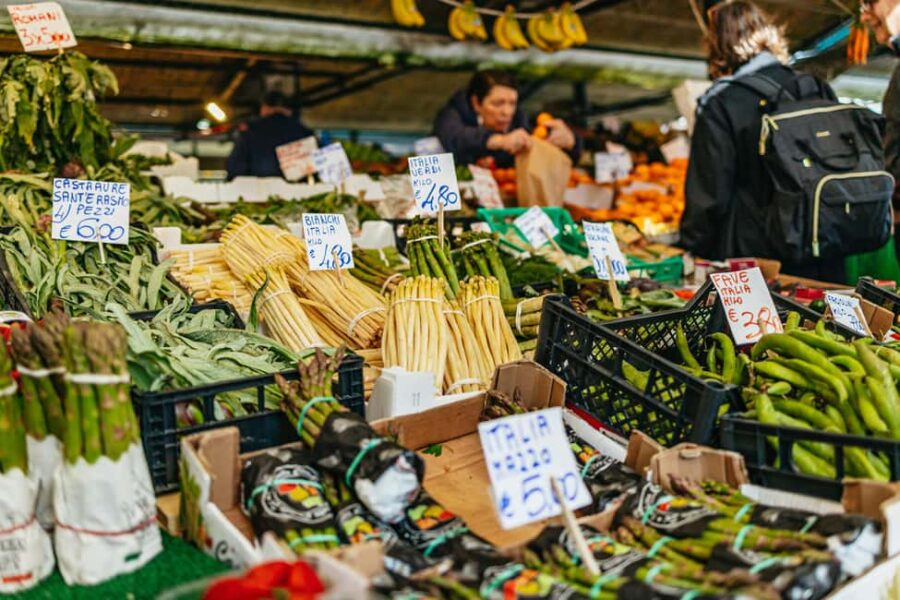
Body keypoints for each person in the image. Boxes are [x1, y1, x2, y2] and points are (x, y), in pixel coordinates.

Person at [680, 1, 848, 281]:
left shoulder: (722, 103)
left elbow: (709, 197)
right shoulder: (817, 88)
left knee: (764, 326)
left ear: (717, 45)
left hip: (759, 263)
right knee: (822, 323)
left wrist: (689, 247)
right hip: (825, 250)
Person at [433, 70, 581, 168]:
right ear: (476, 103)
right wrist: (498, 141)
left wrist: (572, 142)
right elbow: (454, 136)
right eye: (498, 103)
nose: (507, 112)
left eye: (512, 103)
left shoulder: (518, 119)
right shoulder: (455, 112)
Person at [225, 91, 315, 180]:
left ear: (265, 107)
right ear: (288, 109)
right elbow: (315, 169)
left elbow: (235, 168)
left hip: (258, 190)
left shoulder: (250, 130)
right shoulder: (305, 132)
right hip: (298, 191)